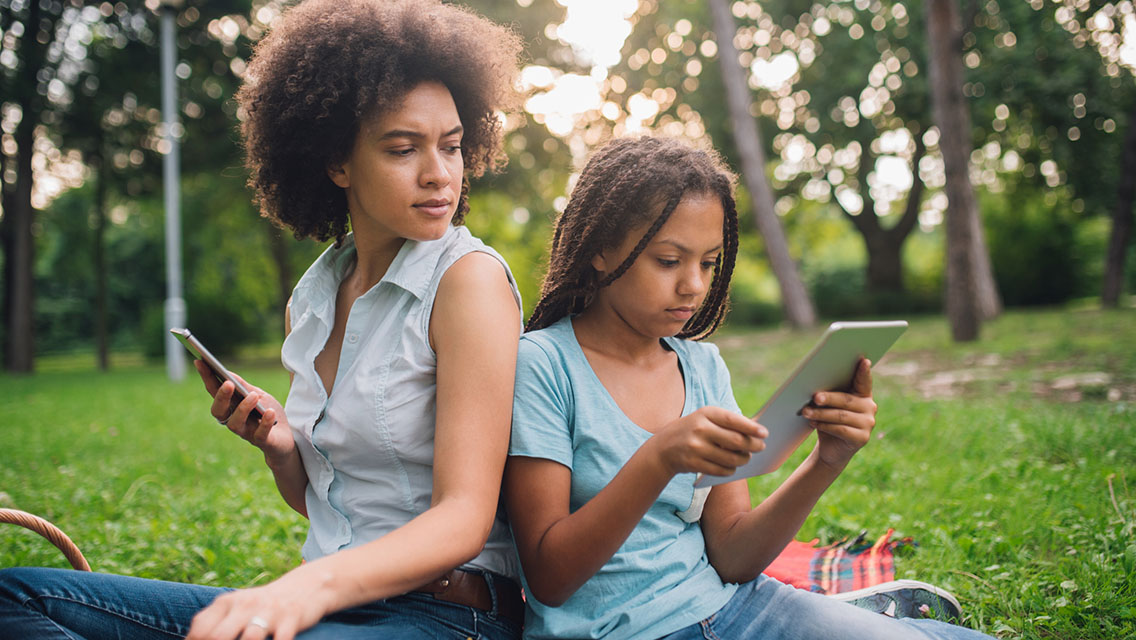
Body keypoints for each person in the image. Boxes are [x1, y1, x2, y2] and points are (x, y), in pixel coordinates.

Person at [0, 1, 525, 639]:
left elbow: (465, 517)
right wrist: (282, 453)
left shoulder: (467, 282)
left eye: (452, 146)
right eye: (402, 149)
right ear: (337, 163)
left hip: (449, 615)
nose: (438, 174)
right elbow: (336, 509)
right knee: (15, 596)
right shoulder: (314, 299)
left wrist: (300, 589)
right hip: (332, 606)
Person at [503, 136, 995, 640]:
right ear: (600, 251)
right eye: (669, 261)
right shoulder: (545, 366)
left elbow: (734, 556)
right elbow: (549, 578)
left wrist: (827, 460)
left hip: (735, 609)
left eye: (708, 263)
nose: (694, 285)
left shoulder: (702, 367)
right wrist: (658, 459)